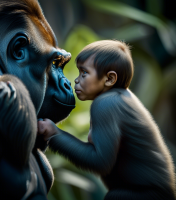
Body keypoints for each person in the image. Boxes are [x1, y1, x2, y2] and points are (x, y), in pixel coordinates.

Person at [37, 40, 176, 200]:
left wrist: (54, 135)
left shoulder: (107, 103)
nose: (77, 79)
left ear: (109, 79)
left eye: (84, 73)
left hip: (147, 193)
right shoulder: (121, 99)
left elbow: (100, 162)